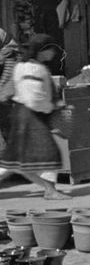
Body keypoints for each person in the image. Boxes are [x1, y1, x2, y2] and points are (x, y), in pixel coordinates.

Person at [0, 34, 70, 199]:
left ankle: (50, 190)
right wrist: (52, 107)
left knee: (15, 159)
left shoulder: (30, 67)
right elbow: (35, 98)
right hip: (30, 116)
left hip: (26, 115)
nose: (54, 53)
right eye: (52, 49)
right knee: (48, 153)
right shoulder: (32, 69)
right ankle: (51, 191)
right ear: (43, 50)